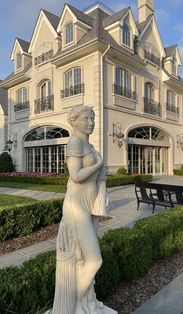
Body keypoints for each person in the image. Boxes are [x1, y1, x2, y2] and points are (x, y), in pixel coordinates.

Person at [52, 105, 108, 314]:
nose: (91, 122)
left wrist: (101, 177)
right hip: (76, 207)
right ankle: (71, 305)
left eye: (93, 118)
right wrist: (99, 164)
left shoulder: (90, 145)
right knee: (94, 260)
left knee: (83, 259)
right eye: (86, 118)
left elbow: (99, 178)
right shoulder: (75, 142)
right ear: (74, 121)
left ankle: (86, 302)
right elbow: (75, 175)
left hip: (90, 206)